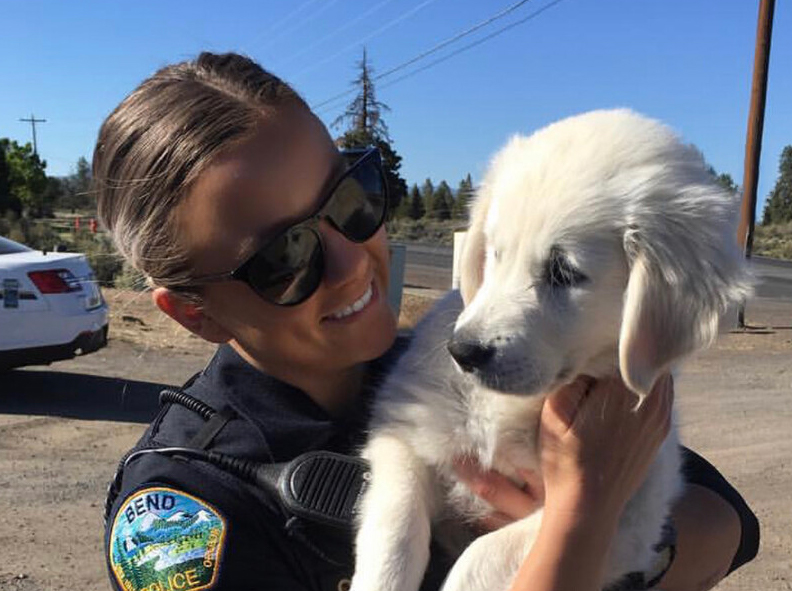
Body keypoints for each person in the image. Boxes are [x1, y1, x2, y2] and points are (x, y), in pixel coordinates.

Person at [96, 52, 758, 591]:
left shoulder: (437, 358)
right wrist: (578, 525)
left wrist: (637, 542)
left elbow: (725, 524)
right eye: (284, 256)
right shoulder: (180, 510)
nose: (354, 262)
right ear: (195, 311)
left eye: (353, 198)